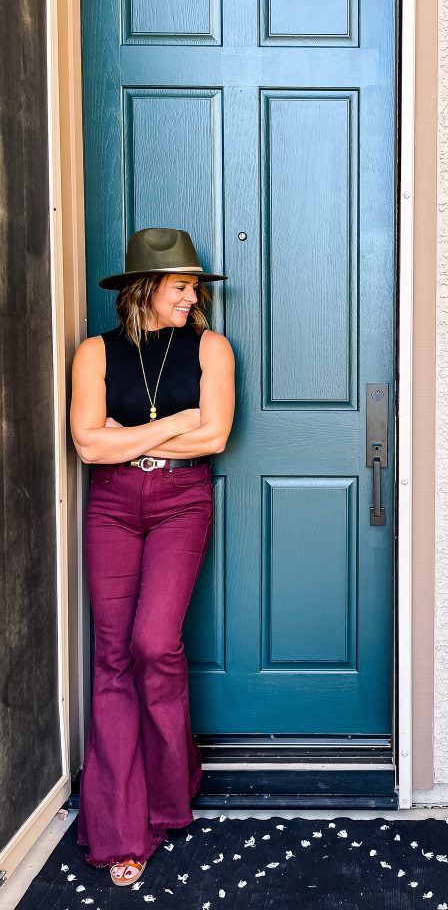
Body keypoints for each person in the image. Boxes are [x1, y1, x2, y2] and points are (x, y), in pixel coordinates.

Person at [69, 228, 235, 886]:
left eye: (193, 286)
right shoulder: (94, 354)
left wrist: (128, 434)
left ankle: (171, 791)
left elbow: (216, 434)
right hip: (111, 505)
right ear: (145, 290)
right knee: (111, 657)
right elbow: (86, 447)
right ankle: (118, 832)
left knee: (152, 644)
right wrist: (174, 424)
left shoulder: (212, 349)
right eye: (179, 286)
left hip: (178, 504)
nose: (192, 296)